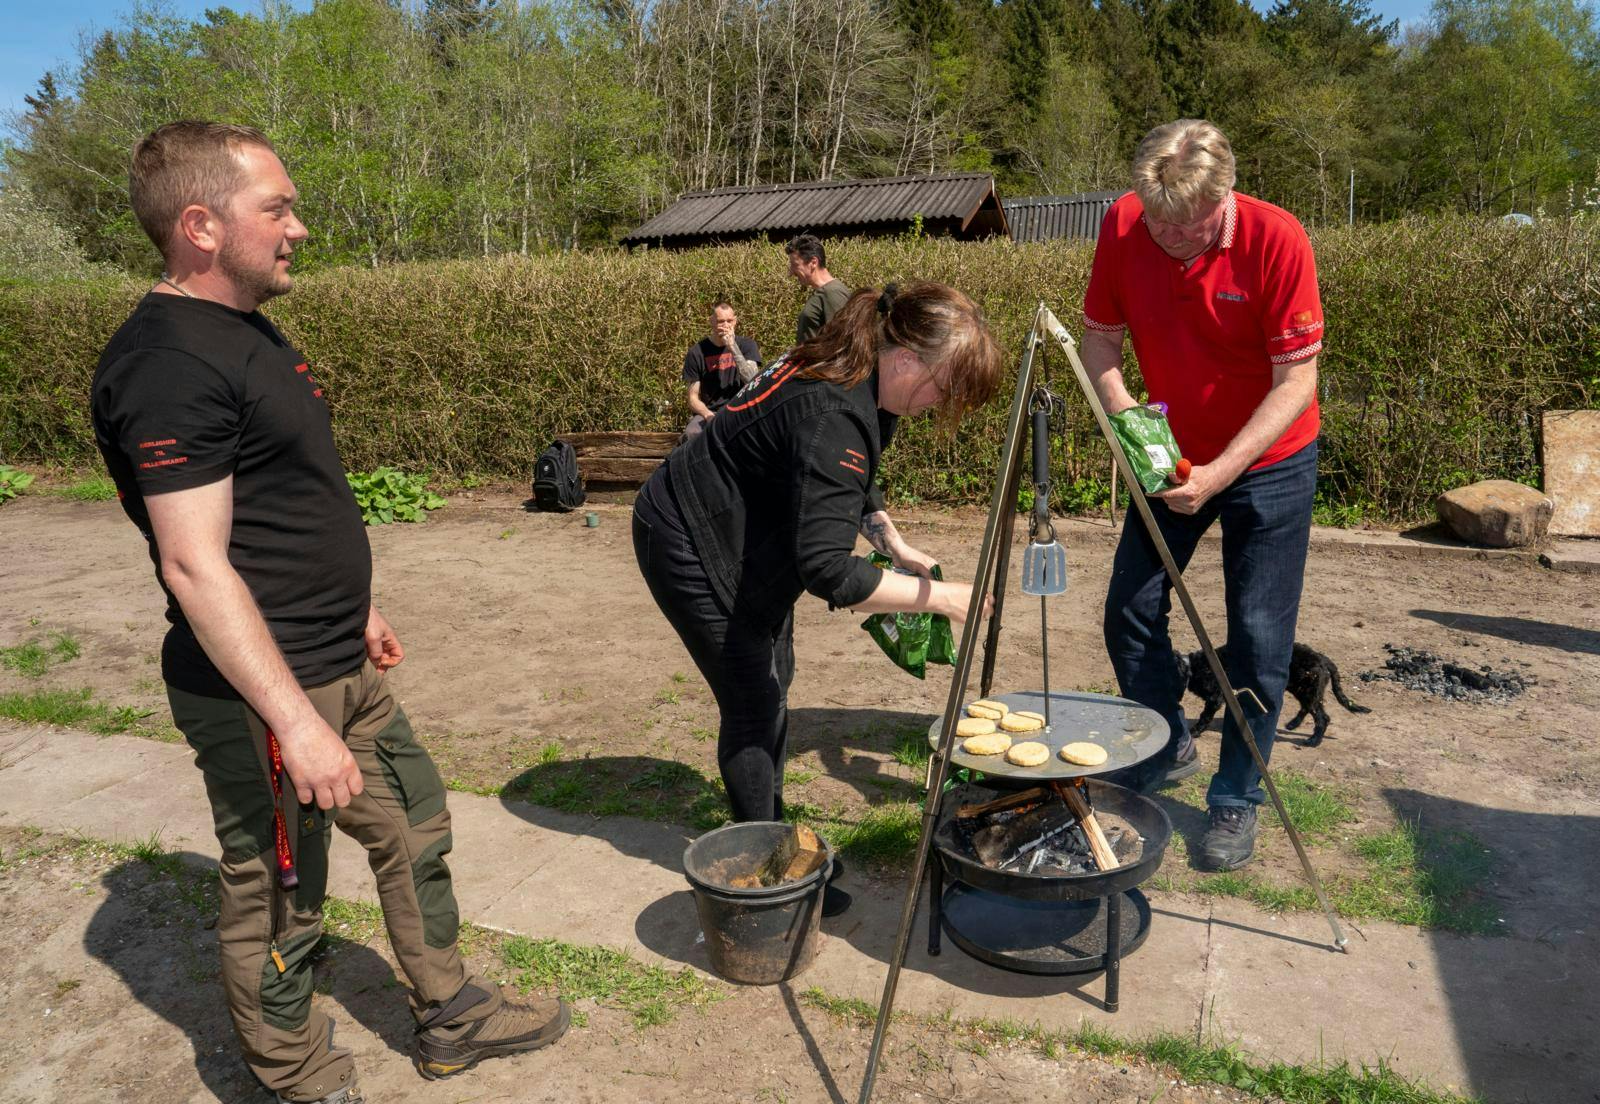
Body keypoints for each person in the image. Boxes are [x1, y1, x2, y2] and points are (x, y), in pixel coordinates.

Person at [90, 121, 568, 1104]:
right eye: (277, 208)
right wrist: (298, 725)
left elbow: (282, 498)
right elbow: (194, 564)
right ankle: (299, 1078)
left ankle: (451, 1012)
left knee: (413, 823)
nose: (298, 228)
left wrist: (357, 606)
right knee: (281, 895)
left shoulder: (244, 328)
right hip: (266, 697)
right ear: (201, 226)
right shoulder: (166, 363)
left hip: (338, 663)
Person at [633, 282, 1003, 916]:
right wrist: (941, 597)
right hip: (688, 534)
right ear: (907, 358)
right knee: (754, 697)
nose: (941, 403)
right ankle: (769, 878)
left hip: (741, 529)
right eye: (944, 386)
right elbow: (830, 573)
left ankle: (772, 836)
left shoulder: (858, 366)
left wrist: (892, 540)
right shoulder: (834, 411)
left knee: (775, 674)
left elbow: (847, 478)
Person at [1081, 118, 1324, 872]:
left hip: (1270, 459)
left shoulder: (1278, 240)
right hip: (1169, 454)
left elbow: (1297, 380)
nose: (1171, 238)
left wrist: (1220, 472)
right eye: (1159, 222)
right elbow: (1100, 341)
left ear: (1226, 196)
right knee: (1128, 610)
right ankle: (1167, 742)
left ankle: (1236, 795)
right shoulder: (1125, 223)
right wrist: (1132, 425)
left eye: (1188, 225)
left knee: (1257, 636)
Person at [683, 299, 761, 437]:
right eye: (720, 321)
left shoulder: (747, 345)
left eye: (729, 321)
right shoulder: (696, 352)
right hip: (710, 411)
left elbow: (752, 380)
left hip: (740, 408)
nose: (726, 326)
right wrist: (708, 415)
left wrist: (732, 347)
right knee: (692, 433)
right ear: (711, 321)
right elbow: (692, 397)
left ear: (735, 321)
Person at [786, 232, 852, 343]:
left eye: (795, 265)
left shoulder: (833, 293)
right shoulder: (823, 292)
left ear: (813, 262)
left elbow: (841, 342)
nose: (790, 272)